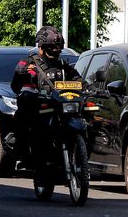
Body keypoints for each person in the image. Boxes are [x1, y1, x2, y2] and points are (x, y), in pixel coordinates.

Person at [10, 25, 81, 164]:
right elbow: (16, 85)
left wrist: (88, 88)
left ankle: (78, 154)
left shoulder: (63, 65)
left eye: (58, 50)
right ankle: (23, 152)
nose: (55, 52)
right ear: (41, 47)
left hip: (61, 106)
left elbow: (78, 79)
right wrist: (22, 73)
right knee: (24, 114)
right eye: (51, 49)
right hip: (39, 107)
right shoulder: (29, 63)